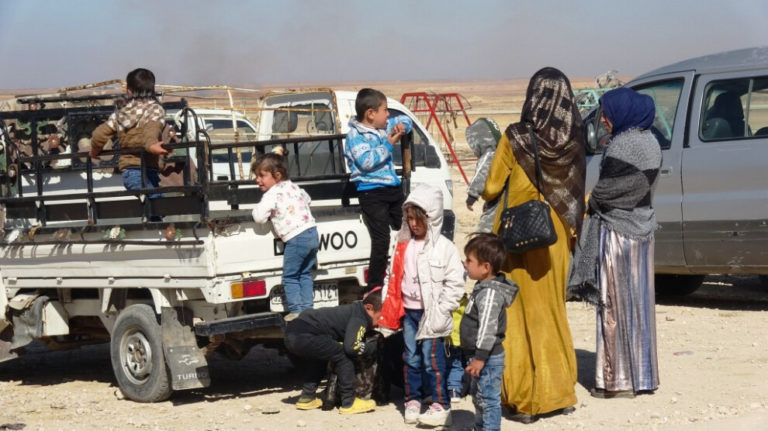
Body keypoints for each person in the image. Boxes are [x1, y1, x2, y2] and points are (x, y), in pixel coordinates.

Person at [481, 67, 586, 423]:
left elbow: (492, 187)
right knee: (553, 312)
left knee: (520, 316)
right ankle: (560, 393)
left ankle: (526, 399)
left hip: (518, 236)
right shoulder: (574, 138)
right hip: (556, 236)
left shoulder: (516, 136)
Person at [568, 87, 662, 398]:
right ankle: (642, 376)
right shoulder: (652, 142)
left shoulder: (622, 146)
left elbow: (608, 191)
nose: (604, 120)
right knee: (639, 307)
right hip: (643, 230)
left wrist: (589, 202)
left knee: (612, 306)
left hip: (618, 234)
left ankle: (615, 379)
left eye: (607, 114)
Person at [378, 184, 465, 428]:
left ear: (433, 217)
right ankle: (412, 400)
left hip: (432, 314)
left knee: (432, 360)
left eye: (419, 219)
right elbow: (391, 275)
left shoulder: (444, 247)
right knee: (411, 358)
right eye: (410, 219)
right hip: (409, 313)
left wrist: (443, 308)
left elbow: (456, 283)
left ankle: (439, 403)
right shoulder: (402, 245)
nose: (414, 224)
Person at [344, 88, 413, 291]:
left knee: (407, 229)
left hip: (392, 188)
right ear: (371, 113)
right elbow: (366, 161)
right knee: (381, 238)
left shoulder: (383, 127)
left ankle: (407, 273)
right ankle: (374, 287)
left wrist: (403, 126)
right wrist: (389, 145)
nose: (389, 114)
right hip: (371, 191)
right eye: (385, 110)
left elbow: (405, 121)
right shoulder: (355, 136)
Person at [283, 288, 382, 415]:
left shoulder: (353, 310)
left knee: (320, 358)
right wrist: (372, 348)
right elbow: (352, 348)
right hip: (305, 334)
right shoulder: (360, 317)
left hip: (292, 333)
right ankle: (349, 402)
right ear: (369, 308)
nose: (379, 323)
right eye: (379, 317)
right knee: (343, 357)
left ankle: (307, 398)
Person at [460, 233, 519, 431]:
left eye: (469, 260)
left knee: (489, 400)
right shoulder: (482, 287)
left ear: (486, 267)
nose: (465, 264)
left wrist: (480, 357)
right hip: (479, 357)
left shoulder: (489, 294)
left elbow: (487, 328)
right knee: (479, 397)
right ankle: (480, 427)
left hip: (487, 359)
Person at [251, 148, 319, 318]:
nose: (258, 180)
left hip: (295, 237)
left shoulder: (272, 194)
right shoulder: (293, 187)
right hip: (312, 233)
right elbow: (308, 199)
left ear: (277, 175)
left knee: (290, 276)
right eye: (257, 176)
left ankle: (296, 311)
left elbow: (259, 217)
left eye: (262, 176)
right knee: (305, 273)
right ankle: (308, 309)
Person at [90, 68, 169, 198]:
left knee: (154, 209)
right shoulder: (155, 109)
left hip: (130, 172)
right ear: (153, 90)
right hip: (150, 170)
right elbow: (151, 129)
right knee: (159, 203)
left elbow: (99, 134)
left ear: (128, 91)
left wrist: (94, 151)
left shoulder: (122, 112)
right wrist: (152, 145)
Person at [465, 118, 502, 232]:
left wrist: (472, 196)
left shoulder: (490, 154)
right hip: (506, 200)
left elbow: (482, 174)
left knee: (484, 233)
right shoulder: (503, 152)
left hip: (498, 202)